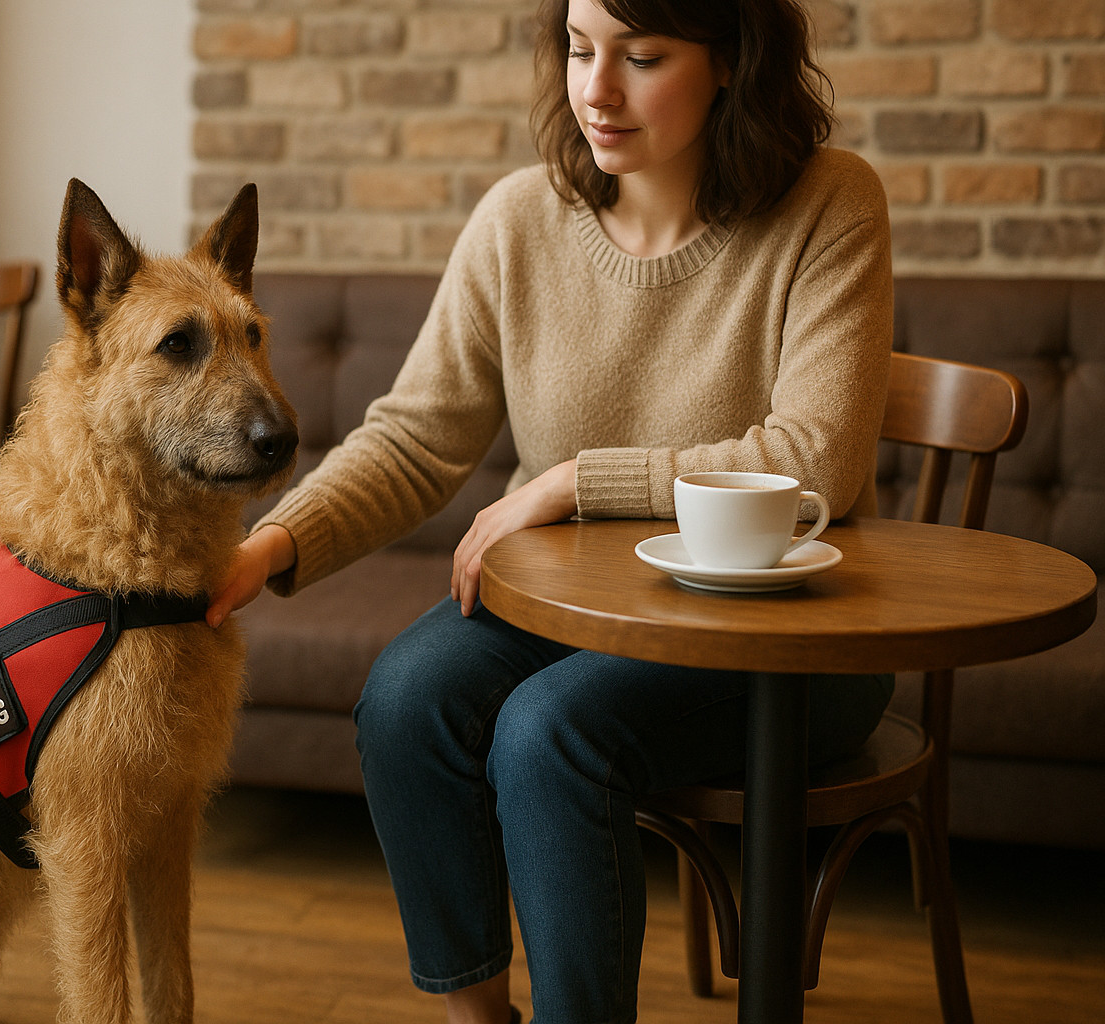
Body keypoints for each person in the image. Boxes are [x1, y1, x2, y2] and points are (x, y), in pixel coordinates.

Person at [207, 0, 895, 1020]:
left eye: (643, 56)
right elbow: (415, 437)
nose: (595, 91)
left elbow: (815, 463)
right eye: (579, 50)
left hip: (783, 638)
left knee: (547, 732)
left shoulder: (831, 203)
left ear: (732, 63)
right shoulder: (519, 221)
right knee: (407, 698)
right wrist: (268, 547)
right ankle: (479, 1013)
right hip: (577, 614)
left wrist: (571, 481)